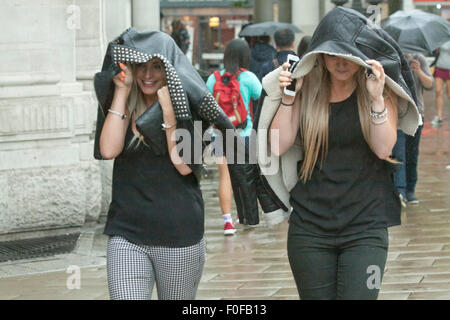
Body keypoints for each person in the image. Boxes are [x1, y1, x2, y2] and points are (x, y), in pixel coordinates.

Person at [257, 7, 421, 300]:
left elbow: (384, 148)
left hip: (366, 225)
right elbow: (278, 146)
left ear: (359, 54)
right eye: (332, 54)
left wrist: (375, 100)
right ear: (320, 55)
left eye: (347, 54)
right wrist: (288, 98)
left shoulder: (381, 90)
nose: (340, 63)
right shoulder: (305, 89)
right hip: (310, 226)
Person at [93, 29, 257, 299]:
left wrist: (170, 114)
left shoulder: (191, 109)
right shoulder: (125, 104)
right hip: (126, 231)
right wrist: (121, 92)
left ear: (169, 68)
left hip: (179, 234)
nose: (147, 75)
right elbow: (109, 150)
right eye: (141, 67)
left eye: (156, 67)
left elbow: (184, 166)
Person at [206, 39, 262, 235]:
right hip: (243, 134)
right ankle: (245, 216)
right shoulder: (248, 77)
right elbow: (259, 96)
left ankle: (228, 221)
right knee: (244, 176)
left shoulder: (213, 79)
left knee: (225, 176)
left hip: (219, 134)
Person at [392, 53, 434, 206]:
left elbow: (430, 85)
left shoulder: (419, 59)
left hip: (417, 114)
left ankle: (410, 189)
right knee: (398, 154)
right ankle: (400, 191)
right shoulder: (392, 57)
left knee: (412, 154)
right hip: (397, 115)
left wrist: (418, 70)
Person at [431, 41, 450, 126]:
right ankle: (439, 116)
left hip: (449, 68)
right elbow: (433, 51)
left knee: (449, 94)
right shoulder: (440, 38)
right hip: (439, 66)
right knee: (438, 91)